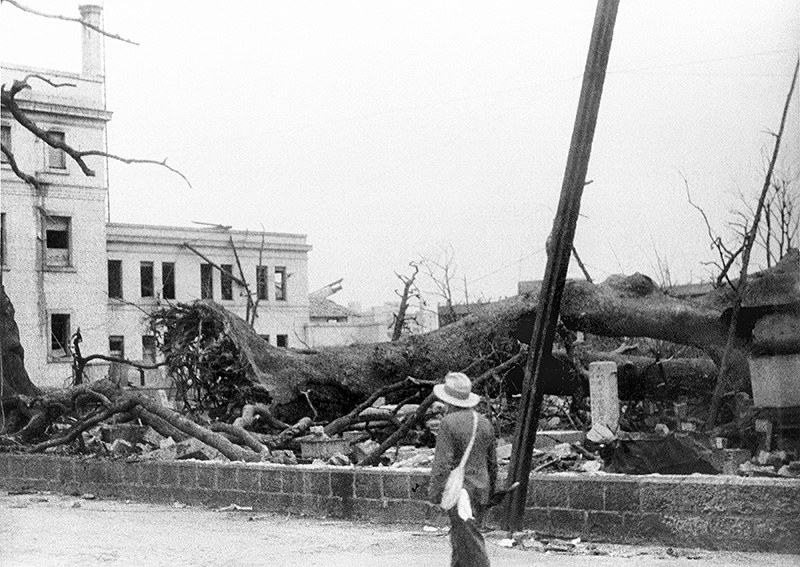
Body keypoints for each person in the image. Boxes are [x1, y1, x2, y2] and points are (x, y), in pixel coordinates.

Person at [429, 372, 497, 567]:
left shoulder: (448, 424)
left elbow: (442, 464)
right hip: (481, 489)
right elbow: (492, 463)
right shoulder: (485, 423)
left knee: (471, 547)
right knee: (462, 543)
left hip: (461, 493)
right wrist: (490, 493)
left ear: (448, 400)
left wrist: (435, 494)